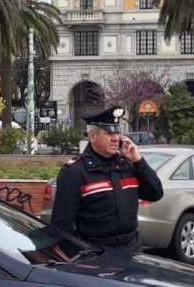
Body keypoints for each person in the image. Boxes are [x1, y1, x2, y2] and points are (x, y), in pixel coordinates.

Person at [51, 106, 164, 251]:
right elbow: (62, 227)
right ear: (93, 136)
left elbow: (155, 193)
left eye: (117, 132)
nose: (116, 138)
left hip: (131, 250)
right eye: (109, 133)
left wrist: (138, 160)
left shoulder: (127, 165)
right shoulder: (75, 172)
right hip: (96, 255)